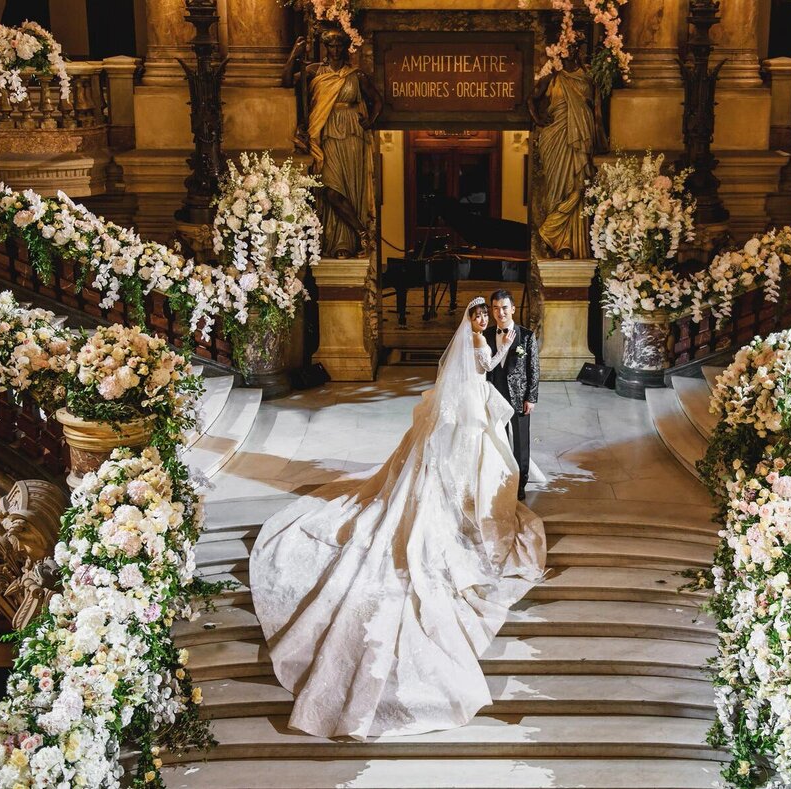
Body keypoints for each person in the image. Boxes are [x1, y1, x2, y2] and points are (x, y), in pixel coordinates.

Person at [249, 296, 546, 740]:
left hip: (480, 408)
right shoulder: (471, 341)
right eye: (479, 315)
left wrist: (505, 355)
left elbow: (494, 365)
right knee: (455, 474)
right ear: (471, 318)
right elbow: (477, 370)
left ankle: (469, 504)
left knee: (492, 468)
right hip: (465, 411)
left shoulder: (490, 338)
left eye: (488, 314)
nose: (484, 319)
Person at [282, 29, 383, 258]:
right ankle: (361, 232)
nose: (335, 51)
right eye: (331, 46)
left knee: (350, 187)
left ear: (345, 47)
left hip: (352, 137)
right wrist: (293, 55)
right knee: (329, 189)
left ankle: (345, 244)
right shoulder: (314, 71)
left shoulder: (356, 76)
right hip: (325, 132)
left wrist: (369, 121)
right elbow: (287, 81)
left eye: (339, 46)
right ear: (325, 47)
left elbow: (377, 100)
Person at [529, 37, 605, 260]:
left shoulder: (590, 74)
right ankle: (554, 238)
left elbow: (598, 108)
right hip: (556, 136)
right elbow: (531, 99)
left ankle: (572, 244)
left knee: (579, 186)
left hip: (582, 137)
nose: (571, 51)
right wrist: (538, 118)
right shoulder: (554, 74)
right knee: (557, 190)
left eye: (575, 47)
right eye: (567, 47)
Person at [482, 290, 540, 500]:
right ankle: (502, 477)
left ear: (513, 309)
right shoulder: (486, 335)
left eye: (504, 307)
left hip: (519, 397)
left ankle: (520, 483)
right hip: (494, 395)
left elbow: (534, 369)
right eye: (496, 308)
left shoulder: (526, 336)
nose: (500, 312)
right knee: (499, 439)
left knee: (521, 442)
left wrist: (531, 398)